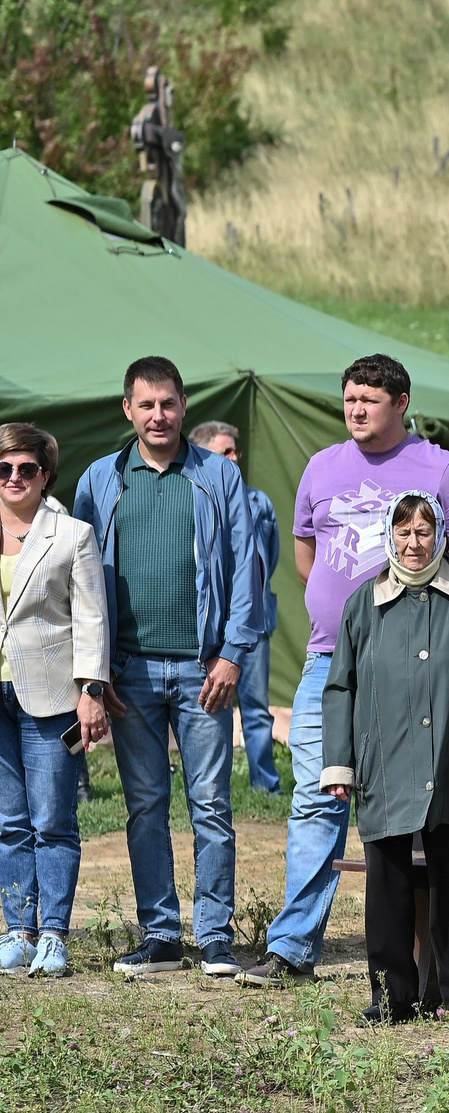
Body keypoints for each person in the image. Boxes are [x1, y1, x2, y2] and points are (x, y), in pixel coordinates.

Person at [251, 356, 449, 988]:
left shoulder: (441, 470)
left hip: (415, 671)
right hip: (328, 661)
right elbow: (308, 559)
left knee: (422, 805)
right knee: (316, 795)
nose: (356, 409)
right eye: (350, 398)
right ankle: (292, 947)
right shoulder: (321, 467)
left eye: (370, 400)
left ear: (401, 403)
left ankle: (434, 957)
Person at [72, 357, 262, 979]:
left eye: (169, 403)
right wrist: (94, 673)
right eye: (146, 405)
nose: (159, 415)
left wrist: (233, 654)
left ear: (183, 406)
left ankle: (215, 937)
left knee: (211, 803)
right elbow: (82, 583)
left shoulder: (217, 475)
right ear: (127, 409)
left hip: (204, 671)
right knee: (146, 805)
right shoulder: (100, 479)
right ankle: (160, 936)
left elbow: (246, 567)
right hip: (128, 673)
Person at [319, 493, 449, 1023]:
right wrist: (339, 763)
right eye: (403, 532)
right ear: (390, 536)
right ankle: (391, 998)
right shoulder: (364, 603)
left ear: (441, 535)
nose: (413, 542)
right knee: (387, 885)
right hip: (384, 761)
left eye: (424, 531)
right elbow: (340, 688)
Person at [0, 424, 108, 978]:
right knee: (8, 822)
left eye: (27, 468)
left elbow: (91, 618)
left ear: (46, 475)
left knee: (52, 821)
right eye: (4, 468)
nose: (14, 478)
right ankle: (18, 931)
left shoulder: (73, 534)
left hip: (51, 693)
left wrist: (91, 690)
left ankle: (54, 935)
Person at [188, 421, 282, 795]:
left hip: (254, 625)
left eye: (235, 450)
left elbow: (267, 558)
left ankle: (265, 785)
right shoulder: (190, 499)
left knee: (256, 706)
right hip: (208, 627)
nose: (234, 458)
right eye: (225, 452)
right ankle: (210, 784)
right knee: (206, 704)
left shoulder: (258, 502)